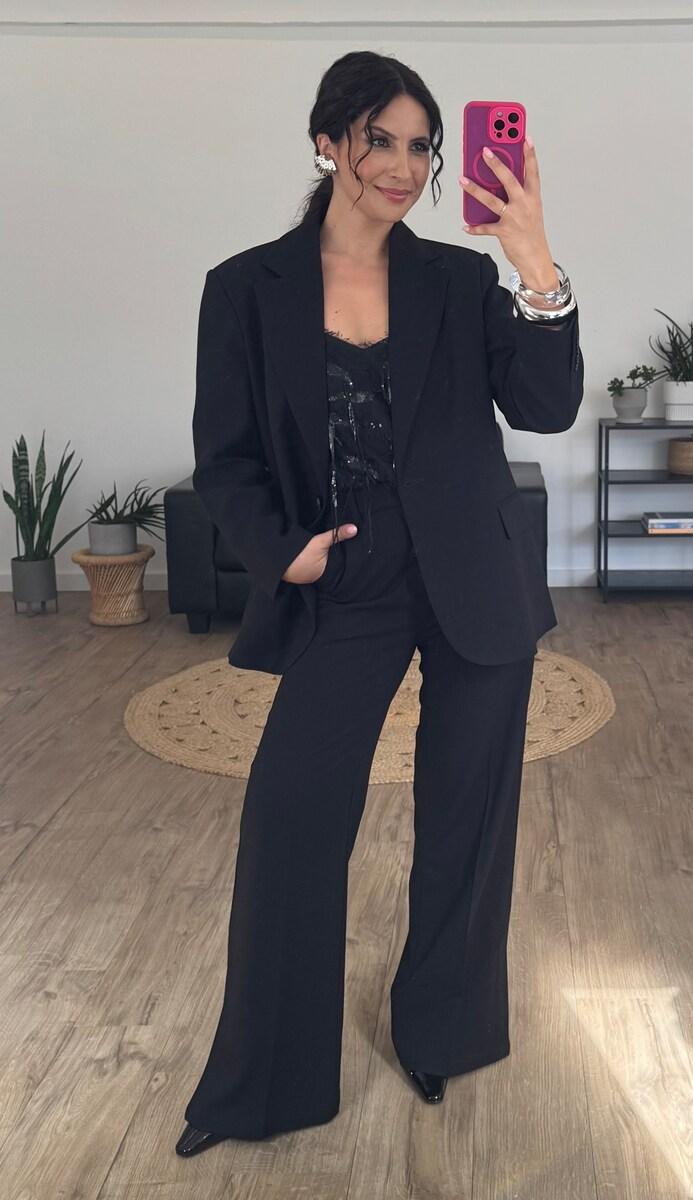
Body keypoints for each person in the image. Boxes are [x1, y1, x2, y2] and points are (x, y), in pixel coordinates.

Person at [176, 49, 583, 1157]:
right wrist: (286, 556)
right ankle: (266, 1084)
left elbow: (545, 407)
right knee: (291, 819)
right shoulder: (244, 288)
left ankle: (444, 1033)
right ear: (328, 142)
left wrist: (534, 262)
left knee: (467, 819)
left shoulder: (460, 277)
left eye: (421, 147)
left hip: (474, 569)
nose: (403, 166)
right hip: (343, 569)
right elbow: (226, 459)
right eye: (380, 140)